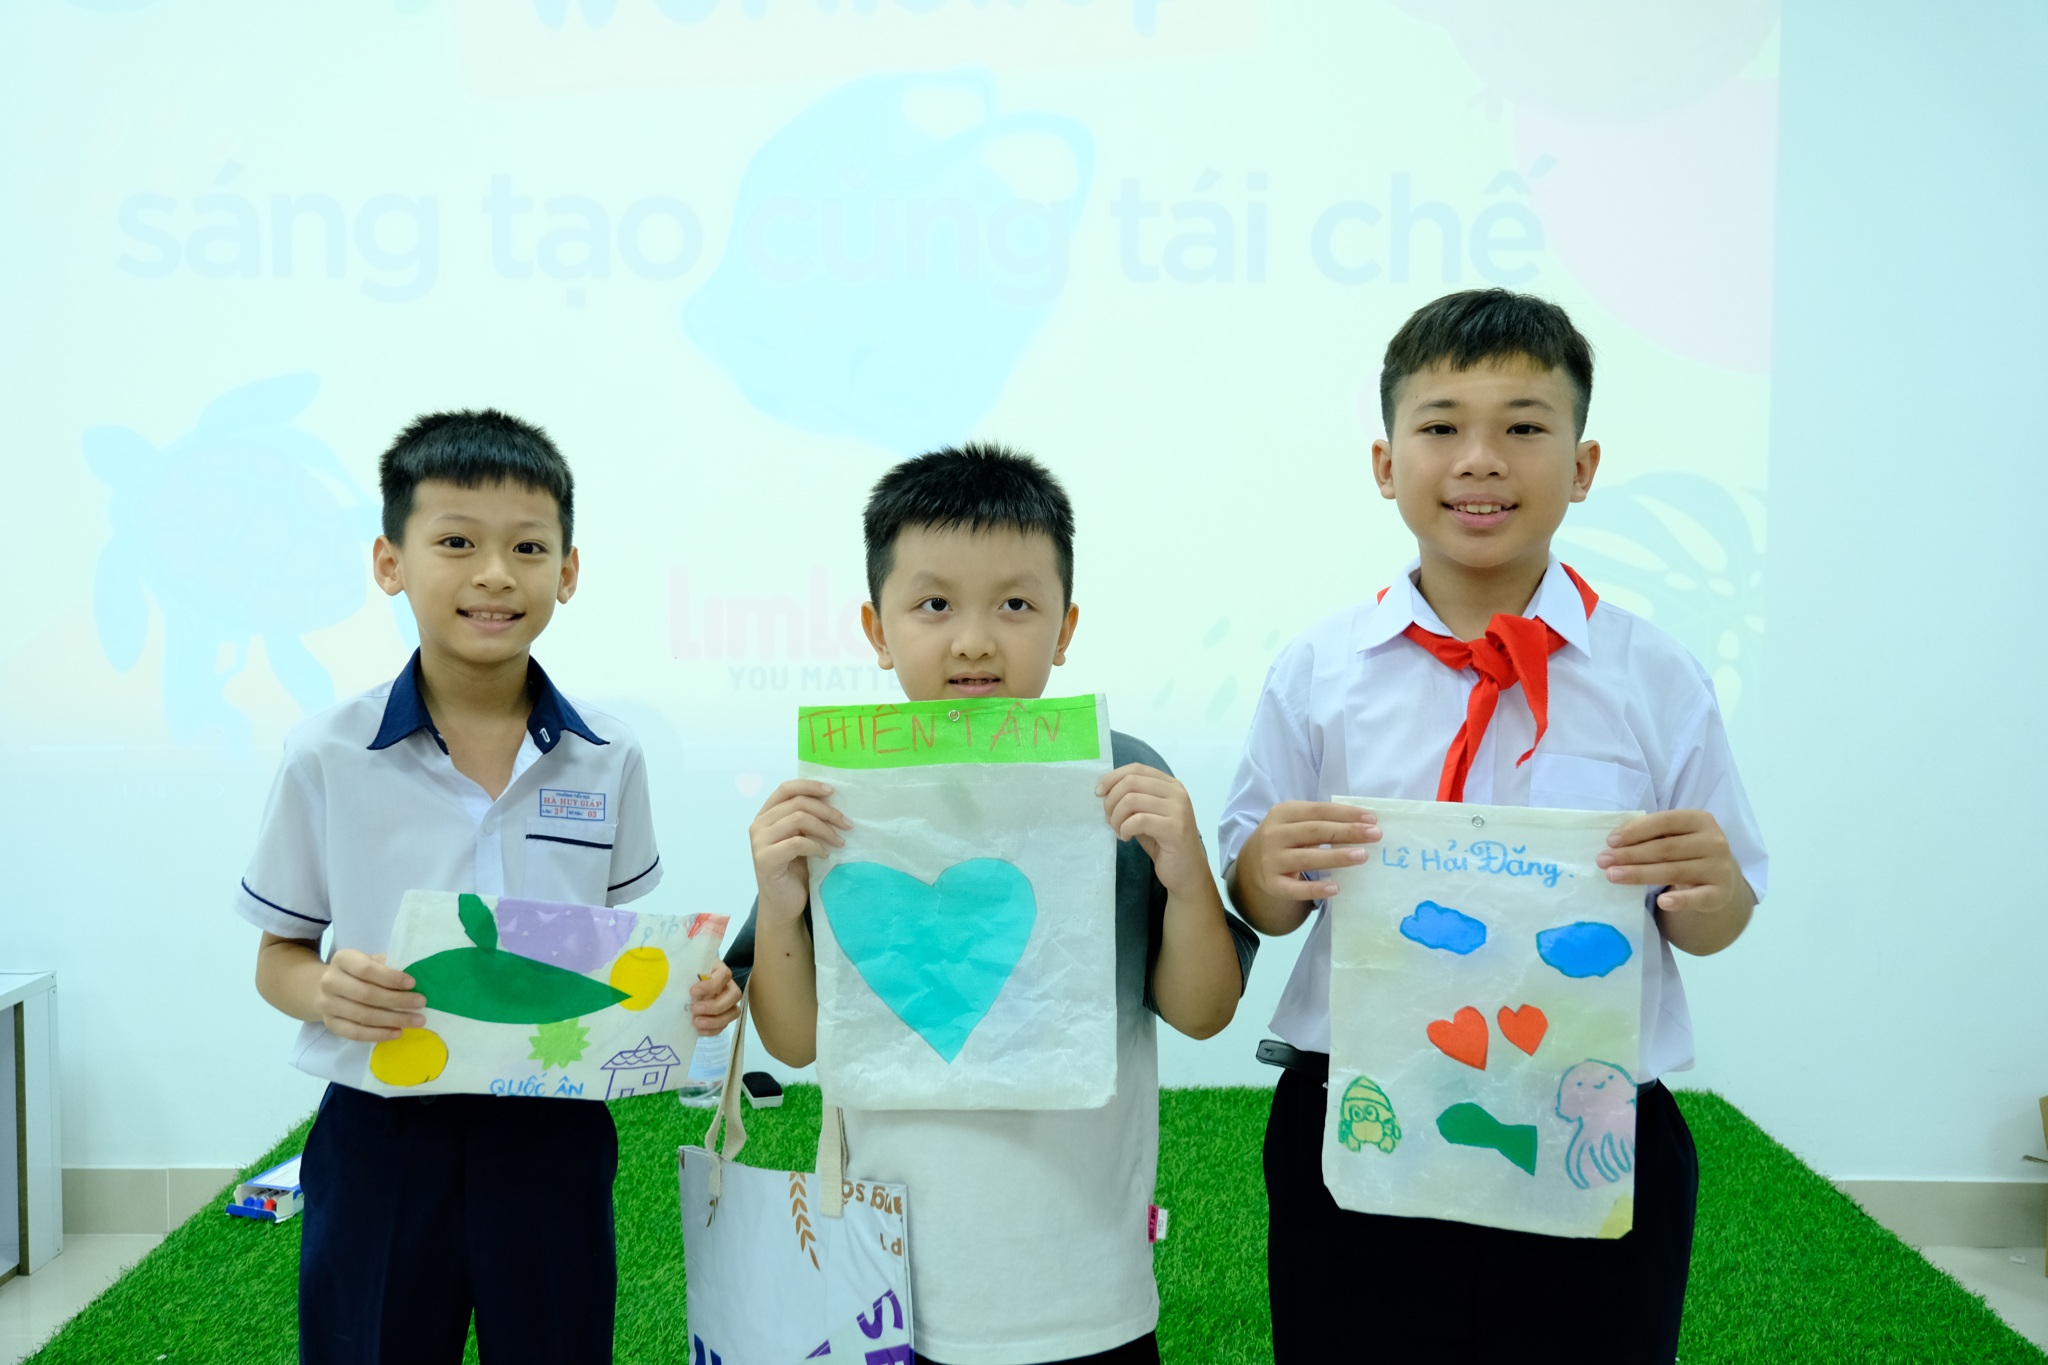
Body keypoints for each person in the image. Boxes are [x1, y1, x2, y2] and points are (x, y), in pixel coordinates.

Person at [1220, 289, 1767, 1363]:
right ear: (1385, 465)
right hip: (1361, 1115)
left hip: (1590, 1117)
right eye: (1440, 427)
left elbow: (1717, 917)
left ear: (1583, 465)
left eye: (1523, 426)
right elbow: (1260, 901)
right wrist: (1263, 871)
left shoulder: (1652, 675)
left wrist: (1713, 889)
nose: (1479, 459)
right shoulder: (1320, 672)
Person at [726, 444, 1258, 1365]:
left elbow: (1204, 1010)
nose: (974, 640)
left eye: (1015, 604)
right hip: (884, 1279)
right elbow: (797, 1041)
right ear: (876, 627)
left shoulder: (1120, 778)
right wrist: (779, 904)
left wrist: (1186, 870)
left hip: (1086, 1282)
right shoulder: (838, 796)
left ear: (1066, 625)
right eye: (934, 604)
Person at [239, 409, 741, 1365]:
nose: (496, 574)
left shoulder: (609, 754)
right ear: (390, 561)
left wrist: (693, 994)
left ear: (569, 570)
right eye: (457, 542)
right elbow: (278, 958)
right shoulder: (327, 753)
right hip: (384, 1134)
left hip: (553, 1135)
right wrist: (327, 990)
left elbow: (610, 948)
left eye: (528, 547)